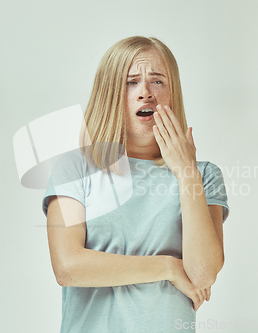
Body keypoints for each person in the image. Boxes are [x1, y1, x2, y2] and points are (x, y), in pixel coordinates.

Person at [42, 36, 230, 333]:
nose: (145, 93)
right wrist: (167, 267)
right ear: (109, 95)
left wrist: (186, 173)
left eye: (157, 82)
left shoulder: (204, 175)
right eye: (130, 82)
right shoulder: (74, 168)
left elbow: (203, 274)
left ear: (172, 94)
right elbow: (68, 267)